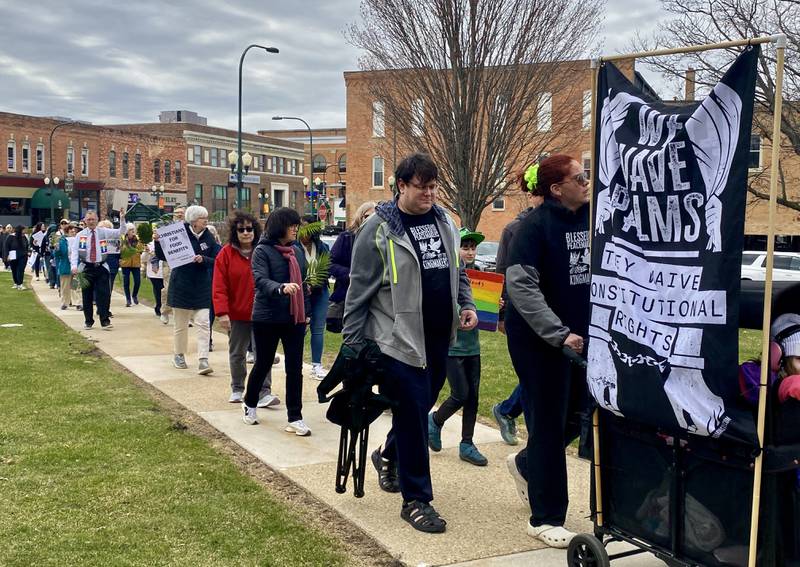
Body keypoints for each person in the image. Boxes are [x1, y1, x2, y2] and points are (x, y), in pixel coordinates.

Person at [343, 153, 477, 534]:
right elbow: (358, 292)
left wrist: (465, 303)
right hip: (396, 340)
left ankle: (387, 454)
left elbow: (457, 271)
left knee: (418, 409)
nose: (429, 193)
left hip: (437, 337)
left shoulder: (445, 223)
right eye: (422, 186)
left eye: (434, 186)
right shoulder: (379, 230)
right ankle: (417, 499)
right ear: (401, 185)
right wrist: (353, 347)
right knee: (414, 409)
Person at [504, 154, 590, 548]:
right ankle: (545, 518)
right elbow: (522, 289)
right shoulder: (533, 228)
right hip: (539, 342)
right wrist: (559, 334)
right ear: (557, 189)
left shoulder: (591, 218)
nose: (587, 182)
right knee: (550, 423)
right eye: (580, 177)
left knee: (582, 414)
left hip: (581, 338)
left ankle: (527, 464)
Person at [244, 207, 311, 436]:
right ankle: (250, 403)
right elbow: (260, 280)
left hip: (294, 318)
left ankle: (295, 417)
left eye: (296, 225)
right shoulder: (262, 251)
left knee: (295, 369)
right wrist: (281, 288)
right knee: (263, 363)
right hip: (267, 318)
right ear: (279, 226)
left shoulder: (297, 251)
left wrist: (307, 311)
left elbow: (304, 283)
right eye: (291, 225)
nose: (295, 229)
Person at [492, 169, 546, 446]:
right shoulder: (514, 229)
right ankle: (510, 414)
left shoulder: (565, 224)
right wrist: (501, 315)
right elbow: (502, 273)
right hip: (523, 317)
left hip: (554, 315)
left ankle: (508, 410)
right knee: (537, 376)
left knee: (545, 377)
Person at [428, 227, 488, 466]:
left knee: (473, 397)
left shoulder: (482, 274)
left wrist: (495, 306)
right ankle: (436, 420)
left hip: (472, 344)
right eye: (465, 247)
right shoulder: (447, 272)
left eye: (473, 247)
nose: (470, 252)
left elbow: (481, 307)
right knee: (460, 394)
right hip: (453, 346)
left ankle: (467, 443)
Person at [213, 211, 278, 407]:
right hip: (237, 314)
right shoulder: (225, 254)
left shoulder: (265, 251)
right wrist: (222, 312)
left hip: (262, 313)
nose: (246, 233)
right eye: (241, 229)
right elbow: (219, 286)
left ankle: (263, 391)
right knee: (237, 353)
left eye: (249, 229)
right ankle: (237, 387)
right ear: (235, 232)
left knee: (263, 355)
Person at [154, 205, 218, 375]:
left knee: (204, 323)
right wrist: (158, 242)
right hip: (181, 284)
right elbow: (163, 256)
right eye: (203, 218)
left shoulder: (208, 237)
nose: (206, 220)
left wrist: (203, 259)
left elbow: (218, 259)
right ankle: (179, 355)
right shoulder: (178, 232)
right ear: (194, 220)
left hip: (202, 286)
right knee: (181, 325)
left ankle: (203, 360)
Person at [70, 209, 127, 330]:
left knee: (104, 295)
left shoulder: (104, 232)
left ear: (97, 220)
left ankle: (105, 320)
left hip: (101, 267)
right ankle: (88, 321)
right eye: (88, 219)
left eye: (93, 219)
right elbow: (74, 251)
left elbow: (121, 232)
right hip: (86, 267)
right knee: (87, 296)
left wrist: (122, 219)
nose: (91, 221)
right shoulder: (81, 235)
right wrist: (74, 266)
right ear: (85, 221)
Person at [328, 201, 375, 332]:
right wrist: (349, 274)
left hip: (374, 296)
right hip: (349, 294)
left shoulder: (382, 239)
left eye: (375, 216)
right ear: (360, 217)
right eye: (367, 216)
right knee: (351, 336)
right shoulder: (347, 237)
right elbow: (330, 263)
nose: (371, 220)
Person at [299, 215, 331, 379]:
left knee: (318, 329)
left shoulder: (322, 247)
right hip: (300, 294)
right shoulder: (294, 247)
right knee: (299, 329)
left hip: (320, 292)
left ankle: (316, 365)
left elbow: (328, 268)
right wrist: (305, 285)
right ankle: (295, 362)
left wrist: (315, 283)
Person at [206, 224, 223, 352]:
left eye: (212, 233)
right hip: (205, 284)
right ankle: (208, 340)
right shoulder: (202, 248)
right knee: (208, 315)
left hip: (217, 284)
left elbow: (219, 263)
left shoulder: (219, 249)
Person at [55, 223, 79, 309]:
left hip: (76, 266)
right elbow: (57, 254)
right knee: (65, 286)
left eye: (74, 230)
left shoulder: (78, 240)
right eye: (71, 230)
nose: (73, 231)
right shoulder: (62, 241)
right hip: (65, 265)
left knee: (75, 285)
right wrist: (57, 249)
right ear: (67, 231)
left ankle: (77, 303)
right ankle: (65, 303)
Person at [120, 223, 144, 307]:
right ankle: (128, 299)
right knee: (126, 282)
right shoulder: (122, 239)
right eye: (130, 230)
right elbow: (120, 250)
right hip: (125, 263)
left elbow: (141, 250)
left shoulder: (138, 239)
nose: (132, 231)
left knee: (137, 281)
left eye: (133, 230)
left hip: (136, 263)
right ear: (127, 231)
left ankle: (134, 295)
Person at [142, 239, 164, 318]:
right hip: (154, 273)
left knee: (165, 291)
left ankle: (164, 308)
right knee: (158, 290)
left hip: (165, 271)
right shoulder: (150, 244)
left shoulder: (167, 241)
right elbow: (143, 259)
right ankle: (159, 307)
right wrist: (146, 252)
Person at [5, 225, 29, 289]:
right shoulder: (11, 237)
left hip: (23, 255)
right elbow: (6, 246)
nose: (24, 231)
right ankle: (16, 282)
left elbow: (27, 245)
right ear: (19, 230)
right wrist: (7, 255)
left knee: (21, 269)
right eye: (23, 230)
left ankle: (20, 284)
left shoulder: (24, 237)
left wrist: (28, 252)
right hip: (13, 255)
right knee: (14, 270)